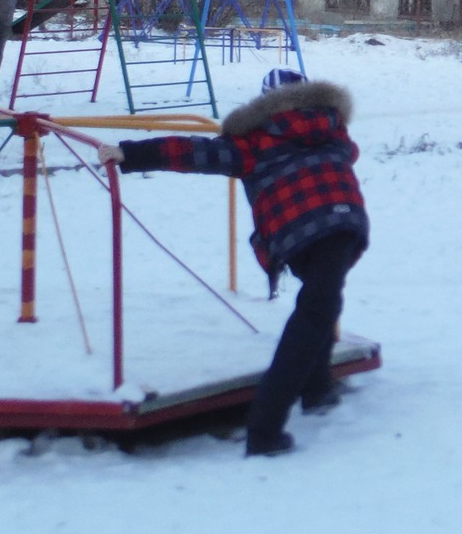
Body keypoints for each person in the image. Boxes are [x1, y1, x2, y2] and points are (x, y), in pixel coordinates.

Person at [97, 69, 368, 457]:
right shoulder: (333, 131)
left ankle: (283, 414)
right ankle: (289, 410)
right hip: (341, 221)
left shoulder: (253, 142)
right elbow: (348, 154)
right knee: (320, 307)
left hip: (295, 231)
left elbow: (194, 152)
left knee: (317, 308)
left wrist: (132, 153)